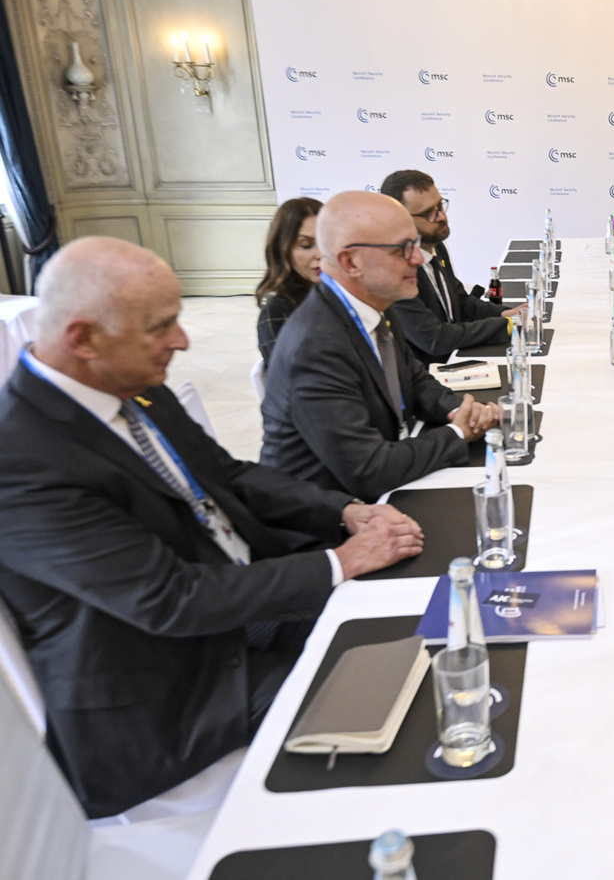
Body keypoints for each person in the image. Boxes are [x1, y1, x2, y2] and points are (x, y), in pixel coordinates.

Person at [0, 237, 426, 817]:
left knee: (412, 611)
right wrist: (341, 561)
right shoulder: (21, 463)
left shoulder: (127, 383)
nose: (182, 340)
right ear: (83, 339)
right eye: (161, 327)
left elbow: (229, 476)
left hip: (239, 618)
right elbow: (170, 600)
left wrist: (344, 511)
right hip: (171, 692)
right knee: (402, 707)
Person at [260, 190, 500, 501]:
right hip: (330, 511)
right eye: (402, 249)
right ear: (351, 262)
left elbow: (414, 380)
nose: (418, 258)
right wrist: (458, 433)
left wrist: (460, 411)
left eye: (415, 244)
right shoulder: (315, 346)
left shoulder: (375, 304)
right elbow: (369, 469)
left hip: (386, 479)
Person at [379, 170, 522, 364]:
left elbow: (459, 300)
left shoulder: (436, 246)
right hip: (428, 372)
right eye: (429, 213)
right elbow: (434, 339)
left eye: (440, 205)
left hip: (456, 358)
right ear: (399, 219)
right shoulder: (394, 272)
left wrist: (504, 313)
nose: (441, 216)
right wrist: (507, 325)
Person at [254, 197, 323, 363]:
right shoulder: (277, 313)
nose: (321, 254)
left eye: (326, 242)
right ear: (283, 250)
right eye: (306, 245)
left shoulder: (350, 295)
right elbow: (293, 374)